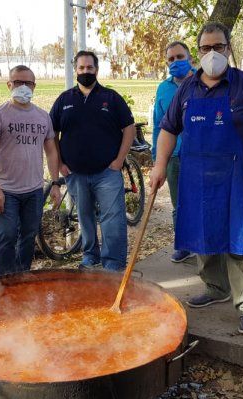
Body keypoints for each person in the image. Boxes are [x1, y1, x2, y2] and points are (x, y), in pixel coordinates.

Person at [150, 22, 243, 336]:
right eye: (206, 48)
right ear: (199, 52)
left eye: (218, 46)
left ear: (228, 48)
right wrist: (159, 165)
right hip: (199, 182)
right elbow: (168, 129)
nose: (212, 53)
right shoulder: (187, 88)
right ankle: (215, 287)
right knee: (204, 236)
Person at [49, 50, 136, 271]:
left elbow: (129, 128)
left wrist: (119, 160)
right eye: (81, 68)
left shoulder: (111, 98)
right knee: (84, 216)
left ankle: (113, 263)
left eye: (89, 67)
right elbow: (52, 134)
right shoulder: (64, 100)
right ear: (75, 70)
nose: (85, 71)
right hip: (75, 173)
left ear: (96, 70)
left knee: (112, 217)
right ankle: (90, 255)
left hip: (107, 172)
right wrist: (60, 164)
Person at [0, 65, 61, 276]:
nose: (23, 87)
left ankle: (22, 277)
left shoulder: (43, 117)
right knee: (7, 235)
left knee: (29, 235)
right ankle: (3, 280)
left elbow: (51, 152)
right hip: (6, 190)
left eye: (28, 83)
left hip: (34, 190)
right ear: (9, 85)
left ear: (34, 87)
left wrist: (55, 183)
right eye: (18, 82)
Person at [152, 41, 196, 264]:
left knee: (202, 201)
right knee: (179, 203)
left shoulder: (203, 81)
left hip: (199, 155)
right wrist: (157, 159)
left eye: (180, 57)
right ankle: (183, 245)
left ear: (190, 58)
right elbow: (158, 125)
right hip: (174, 156)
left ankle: (208, 245)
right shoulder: (164, 89)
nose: (175, 62)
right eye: (171, 59)